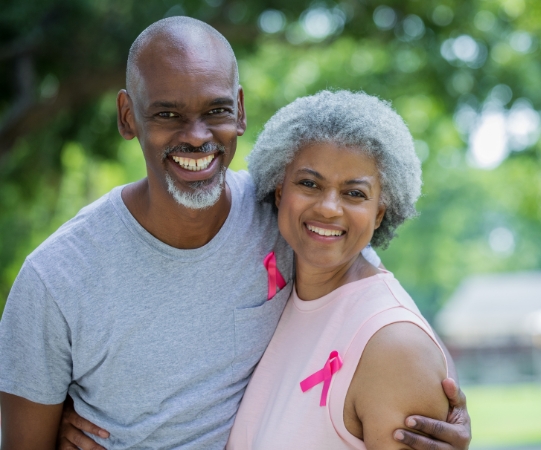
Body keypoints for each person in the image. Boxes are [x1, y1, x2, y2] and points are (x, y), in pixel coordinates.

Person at [0, 17, 470, 450]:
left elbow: (361, 289)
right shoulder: (55, 277)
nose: (198, 136)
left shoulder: (285, 216)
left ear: (240, 110)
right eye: (167, 114)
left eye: (216, 110)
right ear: (128, 117)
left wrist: (431, 401)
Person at [225, 89, 453, 449]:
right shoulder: (272, 297)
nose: (329, 208)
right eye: (309, 184)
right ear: (279, 191)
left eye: (354, 193)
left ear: (379, 214)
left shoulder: (395, 346)